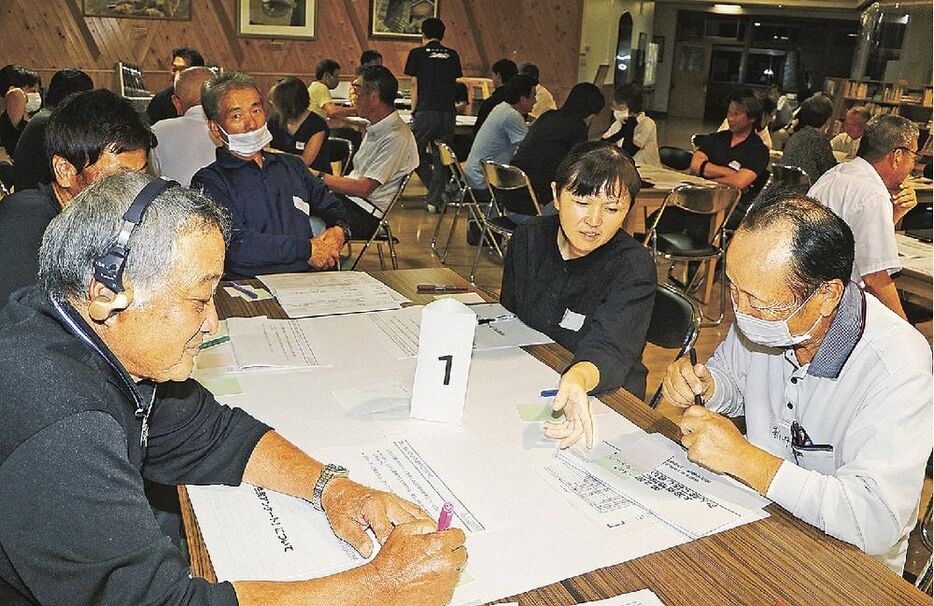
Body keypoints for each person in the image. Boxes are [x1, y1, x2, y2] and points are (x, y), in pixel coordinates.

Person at [0, 171, 467, 605]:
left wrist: (336, 490)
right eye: (199, 299)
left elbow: (215, 434)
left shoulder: (85, 330)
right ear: (106, 293)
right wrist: (379, 588)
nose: (211, 321)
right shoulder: (60, 423)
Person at [660, 194, 931, 575]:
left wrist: (746, 460)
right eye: (734, 290)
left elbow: (874, 522)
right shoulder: (764, 321)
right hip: (759, 522)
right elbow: (735, 382)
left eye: (761, 304)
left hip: (847, 565)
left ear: (826, 295)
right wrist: (709, 386)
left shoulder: (897, 365)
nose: (742, 312)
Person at [502, 142, 656, 450]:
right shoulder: (530, 236)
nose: (595, 221)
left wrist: (578, 378)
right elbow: (509, 317)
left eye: (612, 209)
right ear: (557, 195)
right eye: (582, 202)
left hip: (604, 396)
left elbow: (610, 349)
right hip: (532, 375)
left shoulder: (633, 265)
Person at [191, 71, 350, 278]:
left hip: (306, 280)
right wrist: (307, 250)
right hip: (249, 287)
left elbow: (334, 206)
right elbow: (237, 247)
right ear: (215, 129)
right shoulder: (209, 182)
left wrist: (339, 231)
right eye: (237, 116)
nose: (251, 124)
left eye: (256, 110)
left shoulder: (292, 167)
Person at [0, 89, 151, 303]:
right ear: (65, 170)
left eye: (141, 174)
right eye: (120, 178)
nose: (135, 189)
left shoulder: (107, 220)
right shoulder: (23, 225)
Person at [807, 114, 919, 321]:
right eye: (914, 156)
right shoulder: (873, 194)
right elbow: (875, 277)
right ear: (896, 156)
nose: (912, 165)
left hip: (807, 292)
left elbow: (861, 240)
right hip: (834, 308)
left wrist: (895, 213)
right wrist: (907, 330)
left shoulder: (836, 173)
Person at [309, 65, 419, 240]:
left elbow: (364, 188)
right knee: (289, 204)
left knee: (297, 216)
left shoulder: (397, 137)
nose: (353, 99)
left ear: (374, 97)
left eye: (357, 92)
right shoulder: (376, 127)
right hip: (348, 202)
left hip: (362, 213)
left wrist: (317, 176)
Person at [404, 17, 462, 214]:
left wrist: (414, 109)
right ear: (443, 35)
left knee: (411, 152)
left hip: (426, 110)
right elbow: (453, 83)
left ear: (423, 34)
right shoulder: (452, 55)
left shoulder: (417, 54)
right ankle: (435, 199)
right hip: (447, 112)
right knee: (441, 156)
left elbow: (414, 84)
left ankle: (433, 189)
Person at [512, 82, 605, 205]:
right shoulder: (577, 127)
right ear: (590, 114)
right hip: (539, 200)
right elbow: (580, 168)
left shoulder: (548, 116)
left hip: (514, 191)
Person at [691, 88, 769, 228]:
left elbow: (739, 182)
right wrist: (729, 173)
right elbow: (695, 164)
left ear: (752, 118)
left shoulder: (758, 150)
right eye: (729, 113)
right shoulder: (716, 139)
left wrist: (708, 178)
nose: (730, 118)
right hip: (701, 197)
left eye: (736, 114)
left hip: (733, 206)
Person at [12, 68, 93, 190]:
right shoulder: (50, 123)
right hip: (38, 199)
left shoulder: (47, 117)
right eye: (87, 96)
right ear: (74, 96)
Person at [464, 74, 536, 198]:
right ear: (523, 98)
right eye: (533, 96)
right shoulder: (512, 116)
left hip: (475, 175)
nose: (535, 101)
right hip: (486, 182)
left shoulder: (502, 108)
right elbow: (529, 148)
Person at [150, 66, 218, 186]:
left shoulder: (159, 131)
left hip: (177, 202)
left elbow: (153, 177)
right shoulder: (233, 129)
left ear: (176, 102)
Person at [267, 76, 331, 174]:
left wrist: (275, 153)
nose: (273, 105)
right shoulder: (273, 120)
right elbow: (264, 150)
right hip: (281, 174)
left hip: (311, 178)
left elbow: (304, 162)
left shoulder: (317, 125)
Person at [780, 93, 837, 183]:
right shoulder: (819, 140)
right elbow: (830, 171)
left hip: (783, 191)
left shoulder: (796, 136)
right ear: (828, 120)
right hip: (806, 193)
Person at [601, 83, 660, 166]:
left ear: (633, 109)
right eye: (614, 107)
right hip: (625, 167)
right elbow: (603, 143)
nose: (616, 110)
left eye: (620, 108)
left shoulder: (647, 124)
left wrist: (630, 125)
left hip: (646, 169)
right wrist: (620, 132)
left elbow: (628, 151)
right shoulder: (618, 123)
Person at [147, 47, 205, 126]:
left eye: (182, 69)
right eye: (174, 69)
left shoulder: (208, 97)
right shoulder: (160, 99)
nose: (177, 74)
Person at [0, 64, 41, 157]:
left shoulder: (30, 116)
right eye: (32, 91)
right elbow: (15, 94)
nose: (36, 95)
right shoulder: (10, 117)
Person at [474, 58, 519, 133]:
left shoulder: (490, 103)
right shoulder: (519, 101)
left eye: (493, 75)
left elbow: (478, 130)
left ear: (498, 75)